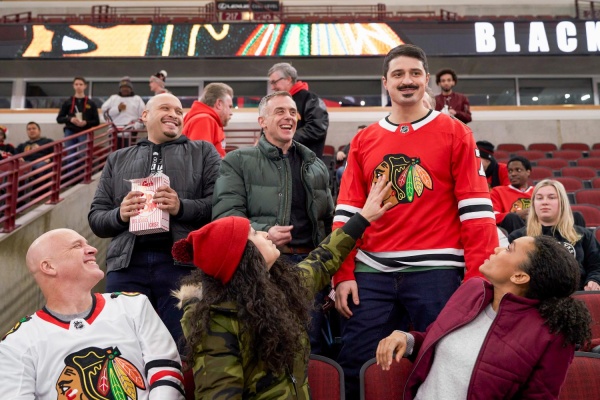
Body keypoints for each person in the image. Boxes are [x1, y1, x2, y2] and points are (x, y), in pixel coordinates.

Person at [332, 44, 497, 398]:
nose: (406, 81)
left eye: (414, 73)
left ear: (427, 80)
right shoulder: (363, 140)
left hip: (437, 272)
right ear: (385, 82)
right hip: (371, 272)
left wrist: (476, 280)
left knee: (442, 364)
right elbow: (347, 214)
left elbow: (477, 214)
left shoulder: (456, 133)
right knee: (356, 366)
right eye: (398, 74)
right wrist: (343, 273)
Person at [175, 177, 392, 399]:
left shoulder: (279, 287)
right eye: (253, 234)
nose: (264, 234)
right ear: (241, 258)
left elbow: (321, 260)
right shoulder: (217, 322)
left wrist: (363, 218)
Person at [376, 235, 592, 400]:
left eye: (509, 249)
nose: (497, 249)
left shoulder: (550, 335)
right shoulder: (471, 291)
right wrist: (407, 339)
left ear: (519, 276)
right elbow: (433, 338)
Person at [88, 93, 221, 344]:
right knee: (122, 346)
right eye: (165, 108)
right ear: (145, 115)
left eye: (179, 111)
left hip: (183, 266)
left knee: (185, 345)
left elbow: (219, 207)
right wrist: (120, 214)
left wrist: (181, 207)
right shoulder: (117, 158)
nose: (174, 114)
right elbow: (96, 218)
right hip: (126, 266)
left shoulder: (203, 152)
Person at [212, 91, 334, 355]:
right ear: (262, 121)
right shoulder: (237, 161)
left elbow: (329, 222)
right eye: (279, 111)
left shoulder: (316, 166)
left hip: (310, 269)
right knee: (265, 347)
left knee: (311, 347)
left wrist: (332, 273)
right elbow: (225, 217)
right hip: (263, 268)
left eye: (292, 112)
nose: (288, 117)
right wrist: (264, 233)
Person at [0, 228, 185, 399]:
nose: (93, 249)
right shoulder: (18, 342)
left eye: (87, 244)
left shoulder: (134, 305)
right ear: (49, 267)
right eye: (77, 246)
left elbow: (167, 371)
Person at [509, 179, 600, 291]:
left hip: (577, 294)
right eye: (539, 198)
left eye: (551, 197)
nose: (544, 202)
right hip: (535, 296)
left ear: (562, 202)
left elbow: (597, 265)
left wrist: (594, 280)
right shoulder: (518, 237)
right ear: (533, 204)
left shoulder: (583, 235)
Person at [268, 62, 329, 158]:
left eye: (274, 82)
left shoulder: (311, 100)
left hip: (305, 161)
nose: (272, 87)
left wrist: (284, 137)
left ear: (288, 79)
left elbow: (317, 128)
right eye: (271, 83)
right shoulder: (275, 102)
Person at [182, 82, 234, 158]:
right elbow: (199, 159)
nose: (231, 113)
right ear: (219, 104)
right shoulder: (204, 120)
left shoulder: (204, 119)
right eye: (229, 107)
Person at [56, 76, 100, 161]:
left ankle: (83, 169)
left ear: (85, 86)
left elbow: (96, 121)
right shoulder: (67, 102)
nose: (78, 86)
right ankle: (71, 170)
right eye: (76, 84)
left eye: (81, 84)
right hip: (70, 131)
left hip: (85, 131)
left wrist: (86, 122)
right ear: (73, 86)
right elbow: (59, 119)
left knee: (84, 155)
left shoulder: (91, 103)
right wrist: (70, 119)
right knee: (70, 156)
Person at [490, 155, 533, 234]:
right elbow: (492, 216)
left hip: (535, 228)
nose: (513, 174)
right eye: (510, 171)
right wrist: (519, 214)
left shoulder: (537, 191)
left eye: (518, 170)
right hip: (511, 231)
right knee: (511, 217)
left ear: (528, 172)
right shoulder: (498, 191)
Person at [101, 76, 146, 148]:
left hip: (131, 132)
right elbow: (105, 112)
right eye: (122, 87)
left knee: (129, 152)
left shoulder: (137, 99)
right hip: (114, 132)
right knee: (115, 152)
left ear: (131, 89)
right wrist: (117, 109)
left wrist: (135, 126)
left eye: (127, 87)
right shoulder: (113, 98)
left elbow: (143, 115)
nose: (124, 89)